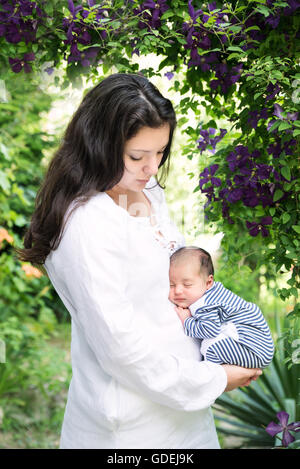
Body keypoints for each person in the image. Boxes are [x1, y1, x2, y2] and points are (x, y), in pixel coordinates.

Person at [16, 73, 262, 449]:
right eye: (137, 156)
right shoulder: (86, 223)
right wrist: (213, 379)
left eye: (160, 152)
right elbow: (121, 347)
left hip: (184, 411)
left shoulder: (145, 191)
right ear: (99, 145)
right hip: (130, 425)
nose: (151, 168)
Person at [169, 246, 274, 368]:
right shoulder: (214, 292)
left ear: (208, 282)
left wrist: (187, 321)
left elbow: (210, 330)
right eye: (171, 285)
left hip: (253, 349)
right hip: (259, 346)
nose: (178, 290)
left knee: (209, 347)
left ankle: (213, 375)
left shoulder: (205, 303)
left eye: (187, 285)